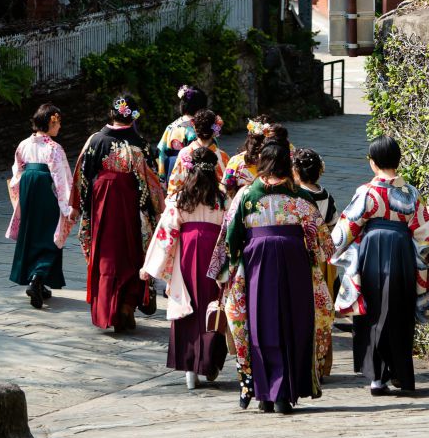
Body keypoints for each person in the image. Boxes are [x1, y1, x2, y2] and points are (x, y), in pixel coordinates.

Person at [214, 140, 334, 414]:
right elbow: (322, 241)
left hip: (256, 261)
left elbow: (229, 238)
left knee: (258, 324)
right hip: (295, 263)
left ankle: (263, 393)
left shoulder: (246, 196)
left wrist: (226, 271)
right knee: (294, 324)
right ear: (287, 165)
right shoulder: (301, 198)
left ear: (262, 164)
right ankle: (285, 392)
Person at [331, 135, 429, 397]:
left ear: (372, 163)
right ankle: (400, 372)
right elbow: (424, 233)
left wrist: (334, 249)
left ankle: (377, 378)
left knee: (373, 312)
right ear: (397, 161)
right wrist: (420, 264)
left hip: (372, 252)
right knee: (399, 311)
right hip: (402, 252)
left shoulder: (367, 192)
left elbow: (346, 229)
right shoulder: (411, 193)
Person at [71, 94, 165, 332]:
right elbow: (153, 182)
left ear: (111, 114)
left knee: (105, 252)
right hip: (131, 203)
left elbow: (82, 175)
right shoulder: (140, 144)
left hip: (102, 202)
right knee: (131, 251)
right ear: (132, 117)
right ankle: (126, 304)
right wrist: (155, 211)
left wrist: (79, 205)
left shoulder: (95, 141)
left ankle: (108, 307)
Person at [141, 146, 228, 390]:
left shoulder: (181, 197)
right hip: (215, 250)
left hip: (188, 252)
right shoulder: (222, 197)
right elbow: (230, 228)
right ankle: (210, 360)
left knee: (188, 305)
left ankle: (190, 367)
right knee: (213, 305)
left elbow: (166, 231)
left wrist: (152, 265)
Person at [6, 102, 75, 309]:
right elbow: (61, 178)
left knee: (32, 234)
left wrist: (19, 196)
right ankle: (38, 277)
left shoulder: (23, 144)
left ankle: (36, 280)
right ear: (51, 123)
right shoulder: (54, 148)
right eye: (58, 123)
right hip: (46, 191)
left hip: (28, 190)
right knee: (50, 235)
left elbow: (17, 172)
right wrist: (68, 206)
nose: (60, 128)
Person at [292, 146, 337, 380]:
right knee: (322, 309)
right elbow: (331, 225)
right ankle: (322, 362)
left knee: (301, 307)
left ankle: (302, 359)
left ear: (296, 171)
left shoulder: (296, 196)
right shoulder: (326, 195)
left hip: (301, 255)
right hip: (323, 259)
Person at [166, 109, 230, 196]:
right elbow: (229, 187)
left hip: (189, 203)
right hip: (215, 204)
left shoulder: (184, 154)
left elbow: (174, 186)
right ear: (215, 130)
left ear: (194, 128)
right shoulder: (223, 157)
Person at [157, 84, 207, 186]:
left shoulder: (171, 127)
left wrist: (162, 177)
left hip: (171, 168)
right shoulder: (199, 128)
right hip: (193, 172)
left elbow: (161, 152)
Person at [222, 118, 273, 198]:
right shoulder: (271, 162)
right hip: (266, 204)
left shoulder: (235, 160)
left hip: (241, 202)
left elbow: (227, 185)